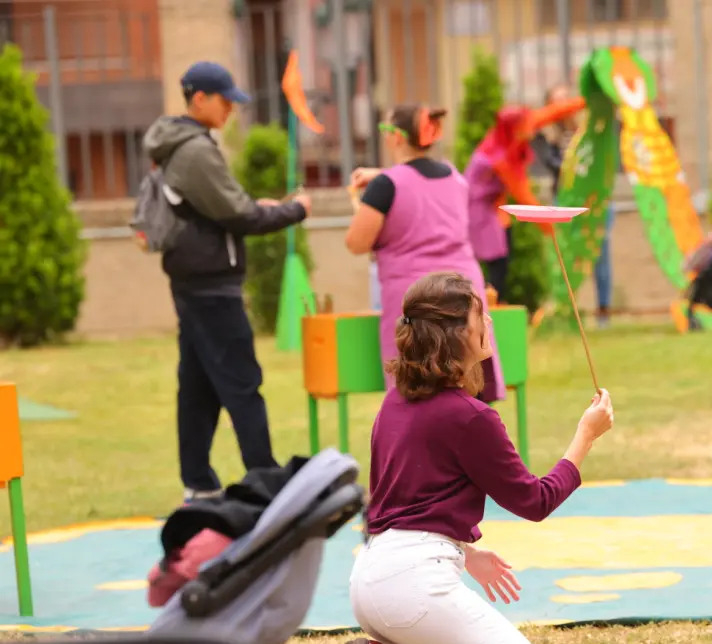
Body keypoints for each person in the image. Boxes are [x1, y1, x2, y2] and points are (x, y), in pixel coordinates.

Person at [336, 272, 614, 644]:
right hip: (411, 585)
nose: (488, 322)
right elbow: (534, 501)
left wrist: (466, 554)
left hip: (367, 576)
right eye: (478, 315)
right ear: (453, 334)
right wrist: (586, 435)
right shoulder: (470, 417)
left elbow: (401, 507)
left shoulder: (395, 401)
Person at [143, 61, 312, 503]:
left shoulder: (185, 143)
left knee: (199, 386)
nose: (231, 109)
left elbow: (222, 208)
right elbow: (240, 216)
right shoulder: (195, 149)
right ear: (199, 98)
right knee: (241, 381)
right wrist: (295, 210)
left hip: (196, 281)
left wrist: (257, 206)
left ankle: (198, 482)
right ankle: (265, 476)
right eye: (226, 100)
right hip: (211, 286)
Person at [345, 104, 505, 403]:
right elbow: (421, 183)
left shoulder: (385, 187)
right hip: (464, 293)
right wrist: (381, 176)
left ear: (396, 137)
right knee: (469, 388)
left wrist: (367, 198)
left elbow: (357, 242)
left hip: (418, 299)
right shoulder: (455, 179)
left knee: (418, 391)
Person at [531, 82, 615, 327]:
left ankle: (604, 312)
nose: (565, 105)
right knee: (566, 256)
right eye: (558, 101)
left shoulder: (589, 131)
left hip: (595, 202)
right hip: (565, 200)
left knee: (600, 255)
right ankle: (567, 311)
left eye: (568, 98)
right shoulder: (546, 137)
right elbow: (553, 165)